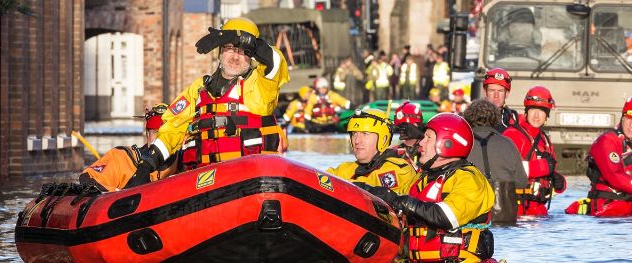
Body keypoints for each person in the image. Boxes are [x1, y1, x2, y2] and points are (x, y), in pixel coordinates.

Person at [130, 17, 289, 183]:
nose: (236, 56)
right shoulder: (199, 89)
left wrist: (238, 38)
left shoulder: (260, 84)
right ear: (220, 51)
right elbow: (172, 129)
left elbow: (276, 62)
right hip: (205, 181)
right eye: (230, 48)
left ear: (252, 56)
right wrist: (147, 164)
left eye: (244, 52)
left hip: (250, 178)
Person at [357, 113, 495, 262]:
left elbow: (446, 217)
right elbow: (396, 198)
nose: (421, 143)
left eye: (428, 138)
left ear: (448, 143)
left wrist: (401, 202)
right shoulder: (421, 177)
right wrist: (365, 191)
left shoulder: (469, 179)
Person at [565, 95, 632, 217]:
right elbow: (615, 175)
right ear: (622, 117)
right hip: (607, 211)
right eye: (628, 118)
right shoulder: (607, 141)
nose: (631, 125)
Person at [79, 104, 177, 192]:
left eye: (166, 134)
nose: (160, 139)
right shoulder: (122, 158)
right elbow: (88, 178)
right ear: (147, 134)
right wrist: (120, 194)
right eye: (155, 132)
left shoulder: (182, 162)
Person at [502, 86, 566, 216]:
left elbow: (550, 171)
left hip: (538, 211)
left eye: (542, 111)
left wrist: (560, 183)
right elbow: (507, 169)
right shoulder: (513, 135)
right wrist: (543, 167)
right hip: (517, 210)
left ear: (547, 115)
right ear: (526, 111)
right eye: (533, 110)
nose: (537, 115)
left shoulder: (545, 140)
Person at [464, 99, 528, 223]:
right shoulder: (508, 143)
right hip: (505, 216)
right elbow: (522, 182)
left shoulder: (463, 144)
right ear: (495, 119)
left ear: (468, 118)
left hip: (475, 221)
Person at [328, 109, 418, 194]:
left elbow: (373, 188)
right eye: (354, 134)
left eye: (365, 134)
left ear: (383, 140)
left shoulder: (400, 170)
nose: (357, 141)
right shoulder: (344, 169)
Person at [390, 101, 424, 171]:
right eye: (399, 126)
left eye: (405, 126)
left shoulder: (427, 149)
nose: (402, 130)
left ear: (416, 125)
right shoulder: (395, 151)